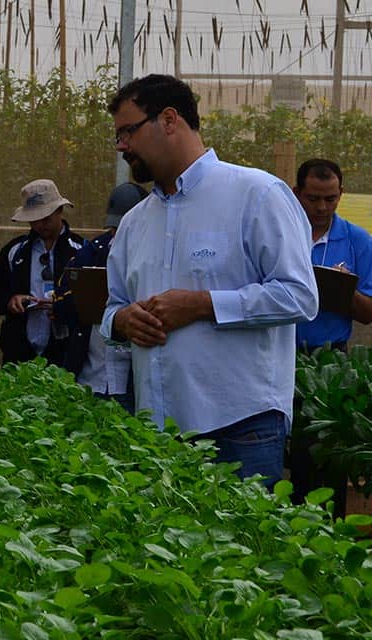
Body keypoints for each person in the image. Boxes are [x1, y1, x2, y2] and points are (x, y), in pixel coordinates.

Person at [103, 74, 318, 489]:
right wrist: (123, 321)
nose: (121, 146)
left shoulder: (256, 194)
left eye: (127, 131)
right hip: (159, 432)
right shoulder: (134, 223)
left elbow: (299, 296)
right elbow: (112, 307)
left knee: (246, 551)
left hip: (241, 427)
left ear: (169, 120)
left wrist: (202, 304)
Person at [53, 182, 148, 413]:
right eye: (114, 228)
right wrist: (87, 296)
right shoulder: (92, 252)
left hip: (136, 379)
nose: (118, 235)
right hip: (92, 375)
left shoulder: (156, 254)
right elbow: (60, 301)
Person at [0, 179, 85, 366]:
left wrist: (63, 307)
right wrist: (10, 300)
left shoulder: (80, 250)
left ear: (59, 212)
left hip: (66, 353)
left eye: (46, 218)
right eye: (34, 220)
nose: (41, 225)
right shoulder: (15, 251)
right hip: (19, 352)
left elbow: (92, 300)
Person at [292, 159, 372, 352]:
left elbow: (368, 314)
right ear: (296, 193)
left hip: (331, 354)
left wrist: (344, 289)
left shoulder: (358, 240)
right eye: (312, 199)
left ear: (341, 193)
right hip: (278, 350)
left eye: (330, 199)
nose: (322, 207)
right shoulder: (278, 235)